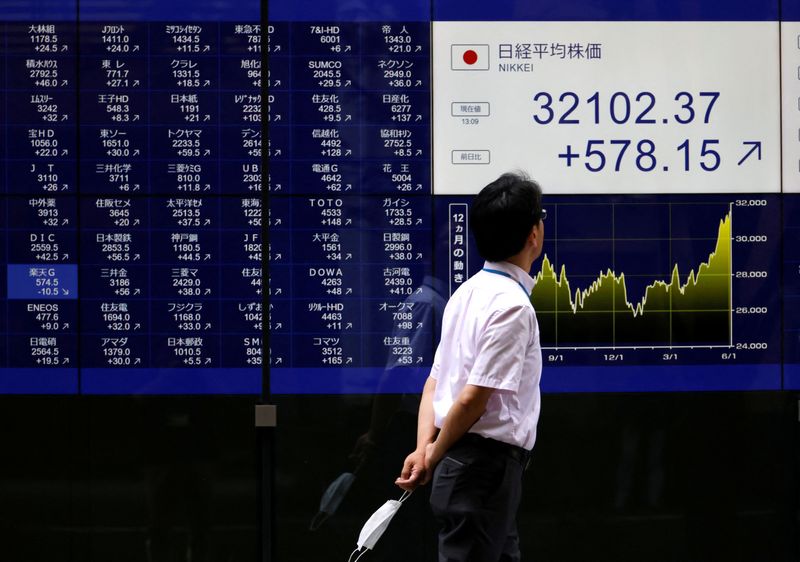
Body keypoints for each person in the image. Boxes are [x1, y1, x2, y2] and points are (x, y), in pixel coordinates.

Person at [395, 172, 545, 561]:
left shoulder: (467, 292)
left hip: (473, 471)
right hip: (482, 471)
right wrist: (431, 454)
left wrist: (424, 446)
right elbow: (473, 400)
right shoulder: (512, 306)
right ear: (533, 234)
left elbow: (434, 381)